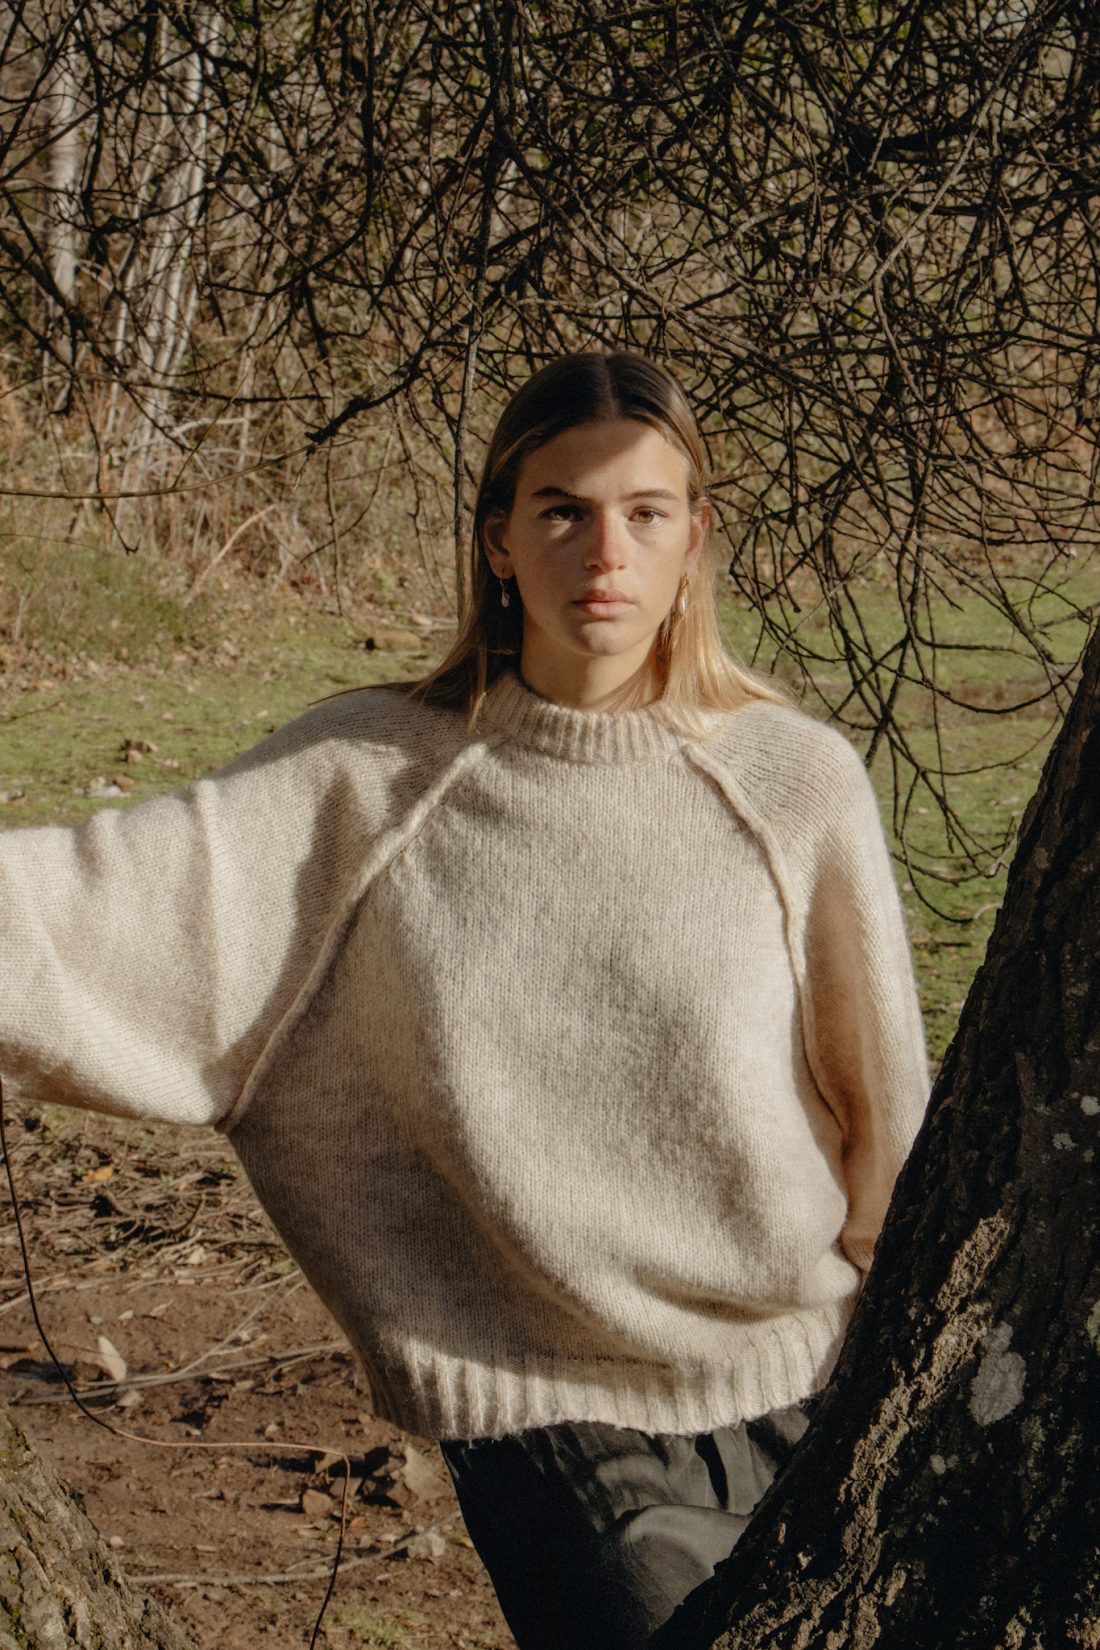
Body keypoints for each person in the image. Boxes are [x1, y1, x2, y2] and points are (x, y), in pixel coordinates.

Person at [0, 353, 928, 1648]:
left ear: (694, 538)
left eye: (645, 512)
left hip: (817, 1382)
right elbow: (90, 902)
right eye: (562, 509)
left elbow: (890, 1128)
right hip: (556, 1416)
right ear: (499, 537)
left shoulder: (797, 786)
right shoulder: (369, 785)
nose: (605, 549)